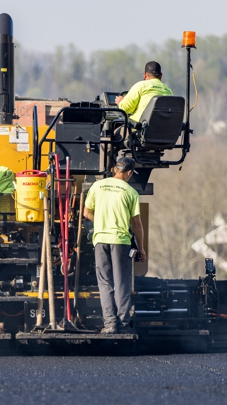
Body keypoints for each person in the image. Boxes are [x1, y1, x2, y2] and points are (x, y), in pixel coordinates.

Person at [83, 157, 146, 334]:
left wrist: (102, 221)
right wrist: (141, 248)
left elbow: (87, 213)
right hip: (120, 241)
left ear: (115, 169)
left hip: (101, 239)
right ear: (129, 172)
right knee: (122, 283)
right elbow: (137, 224)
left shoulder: (97, 186)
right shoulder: (130, 192)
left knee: (105, 283)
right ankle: (123, 324)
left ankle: (109, 324)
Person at [115, 61, 173, 125]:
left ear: (145, 74)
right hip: (162, 130)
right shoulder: (169, 91)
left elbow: (125, 109)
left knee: (114, 130)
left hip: (139, 130)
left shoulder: (140, 86)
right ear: (161, 75)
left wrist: (120, 102)